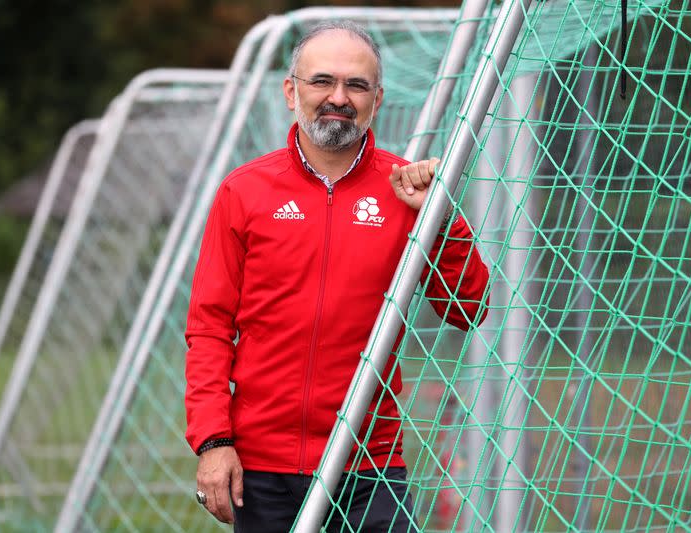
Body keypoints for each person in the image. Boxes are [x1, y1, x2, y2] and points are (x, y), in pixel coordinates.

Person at [185, 20, 489, 532]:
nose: (339, 98)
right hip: (262, 468)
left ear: (377, 98)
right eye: (322, 81)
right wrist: (214, 442)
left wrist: (439, 217)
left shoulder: (406, 189)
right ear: (291, 92)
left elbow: (468, 309)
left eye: (356, 85)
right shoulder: (245, 192)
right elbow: (210, 329)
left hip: (371, 465)